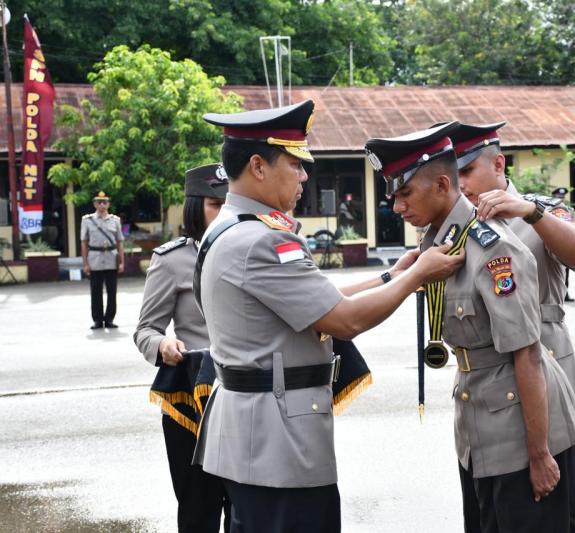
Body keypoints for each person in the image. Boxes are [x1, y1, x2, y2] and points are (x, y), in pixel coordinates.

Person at [193, 100, 464, 533]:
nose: (304, 176)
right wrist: (418, 276)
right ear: (259, 166)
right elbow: (344, 320)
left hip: (253, 436)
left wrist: (391, 276)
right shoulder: (263, 241)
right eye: (295, 164)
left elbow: (315, 299)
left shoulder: (232, 226)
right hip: (277, 446)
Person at [366, 122, 575, 533]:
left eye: (405, 193)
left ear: (441, 185)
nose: (396, 207)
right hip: (482, 425)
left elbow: (527, 354)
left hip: (522, 431)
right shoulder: (442, 244)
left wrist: (539, 454)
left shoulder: (492, 247)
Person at [452, 121, 575, 533]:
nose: (461, 185)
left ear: (499, 164)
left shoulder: (539, 208)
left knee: (557, 507)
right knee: (493, 508)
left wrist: (531, 212)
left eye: (467, 171)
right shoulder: (460, 222)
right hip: (490, 378)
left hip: (545, 360)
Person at [133, 163, 230, 532]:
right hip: (192, 397)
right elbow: (145, 329)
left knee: (249, 506)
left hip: (246, 391)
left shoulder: (252, 250)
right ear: (194, 206)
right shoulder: (171, 259)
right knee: (198, 506)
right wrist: (162, 344)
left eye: (228, 201)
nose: (222, 211)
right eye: (212, 203)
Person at [80, 191, 124, 329]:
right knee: (95, 291)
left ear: (108, 204)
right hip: (95, 259)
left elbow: (120, 242)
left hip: (111, 258)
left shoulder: (115, 220)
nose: (102, 205)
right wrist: (85, 263)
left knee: (112, 291)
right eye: (99, 202)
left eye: (105, 202)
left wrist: (122, 262)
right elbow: (84, 242)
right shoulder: (87, 220)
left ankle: (109, 319)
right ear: (94, 204)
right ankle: (98, 320)